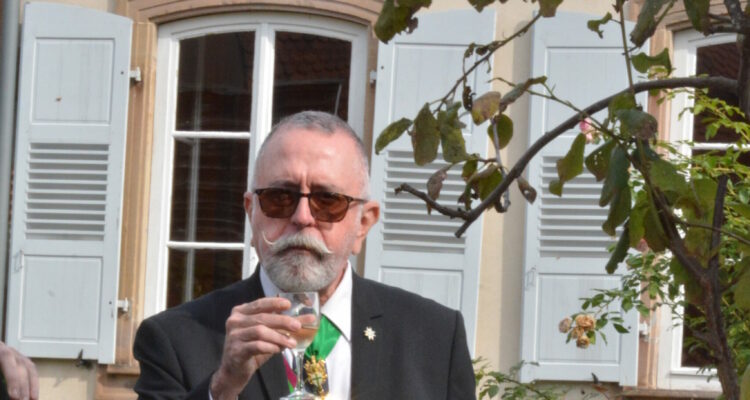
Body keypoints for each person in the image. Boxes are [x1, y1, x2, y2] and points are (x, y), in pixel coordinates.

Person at [133, 111, 475, 399]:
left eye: (328, 201)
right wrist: (220, 389)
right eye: (279, 198)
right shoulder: (175, 341)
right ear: (252, 213)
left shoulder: (434, 338)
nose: (301, 217)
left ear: (363, 224)